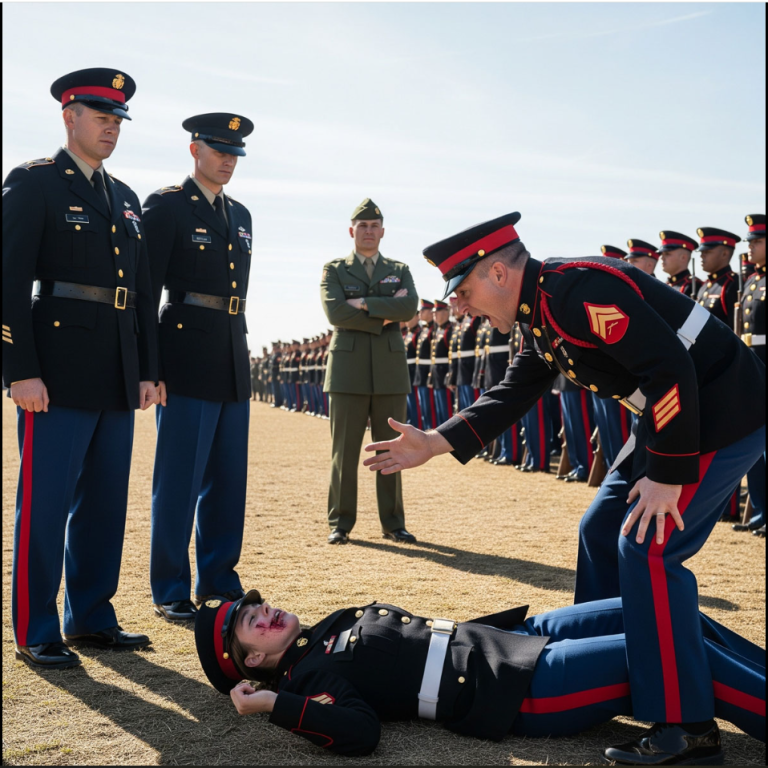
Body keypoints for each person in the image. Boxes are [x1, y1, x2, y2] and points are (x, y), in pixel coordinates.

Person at [362, 211, 766, 763]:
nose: (457, 304)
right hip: (671, 416)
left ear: (500, 274)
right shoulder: (540, 311)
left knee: (647, 548)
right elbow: (515, 390)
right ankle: (615, 670)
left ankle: (687, 725)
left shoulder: (576, 290)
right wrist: (435, 441)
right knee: (600, 528)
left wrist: (667, 477)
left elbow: (671, 368)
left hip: (721, 408)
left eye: (462, 289)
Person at [195, 589, 766, 762]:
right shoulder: (305, 676)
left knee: (666, 609)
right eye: (252, 624)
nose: (264, 613)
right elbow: (357, 731)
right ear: (253, 663)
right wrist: (270, 704)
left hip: (510, 641)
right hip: (519, 689)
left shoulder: (319, 632)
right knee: (668, 644)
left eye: (256, 606)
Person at [2, 68, 159, 668]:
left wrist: (145, 367)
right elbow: (10, 282)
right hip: (56, 372)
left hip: (115, 369)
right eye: (102, 117)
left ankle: (91, 615)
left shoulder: (123, 196)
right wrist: (19, 368)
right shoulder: (35, 182)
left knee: (104, 503)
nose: (111, 129)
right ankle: (35, 626)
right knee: (45, 503)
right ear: (69, 117)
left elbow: (140, 291)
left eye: (118, 120)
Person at [142, 112, 255, 621]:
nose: (228, 160)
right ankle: (170, 587)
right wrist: (152, 366)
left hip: (231, 352)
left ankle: (219, 580)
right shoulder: (167, 206)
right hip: (184, 354)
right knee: (180, 479)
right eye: (219, 150)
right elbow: (146, 294)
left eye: (234, 153)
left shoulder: (243, 215)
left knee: (228, 480)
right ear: (195, 150)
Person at [320, 198, 419, 545]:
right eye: (362, 226)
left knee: (391, 449)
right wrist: (384, 315)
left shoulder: (400, 268)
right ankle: (340, 523)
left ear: (382, 232)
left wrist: (361, 304)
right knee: (344, 451)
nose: (368, 231)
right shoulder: (334, 269)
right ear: (352, 231)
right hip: (347, 370)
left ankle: (393, 523)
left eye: (375, 226)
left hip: (389, 370)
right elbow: (335, 314)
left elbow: (409, 307)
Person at [732, 214, 766, 537]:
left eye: (757, 241)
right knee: (754, 448)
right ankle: (760, 510)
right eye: (750, 241)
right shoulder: (753, 282)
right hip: (752, 369)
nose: (751, 247)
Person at [695, 226, 741, 328]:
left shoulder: (732, 283)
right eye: (702, 252)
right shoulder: (705, 285)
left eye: (707, 252)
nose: (702, 256)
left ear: (724, 254)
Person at [429, 299, 453, 426]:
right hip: (438, 376)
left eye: (437, 312)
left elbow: (452, 356)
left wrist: (451, 374)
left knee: (447, 413)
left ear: (445, 312)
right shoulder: (437, 331)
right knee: (440, 413)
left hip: (445, 375)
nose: (434, 315)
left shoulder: (450, 330)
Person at [412, 299, 436, 430]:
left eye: (423, 310)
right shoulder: (424, 330)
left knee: (430, 406)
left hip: (428, 372)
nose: (420, 313)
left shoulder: (433, 330)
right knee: (423, 407)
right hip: (420, 373)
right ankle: (425, 430)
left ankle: (431, 431)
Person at [658, 231, 701, 297]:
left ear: (683, 257)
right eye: (661, 254)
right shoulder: (666, 285)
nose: (662, 258)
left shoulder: (693, 285)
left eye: (667, 254)